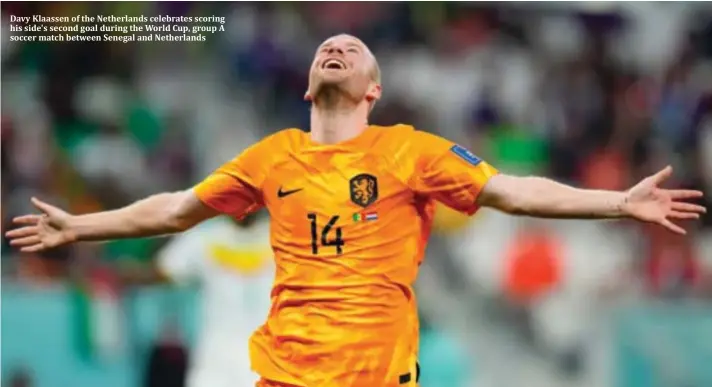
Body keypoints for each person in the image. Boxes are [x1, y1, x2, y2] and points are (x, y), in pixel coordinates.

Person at [6, 34, 706, 387]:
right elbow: (177, 209)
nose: (336, 47)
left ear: (373, 88)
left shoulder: (412, 151)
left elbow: (515, 190)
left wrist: (618, 200)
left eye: (352, 49)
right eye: (326, 48)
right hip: (283, 375)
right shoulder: (271, 156)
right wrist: (81, 225)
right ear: (310, 88)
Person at [120, 212, 273, 387]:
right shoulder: (206, 238)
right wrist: (132, 274)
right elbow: (164, 270)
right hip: (216, 360)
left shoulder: (285, 237)